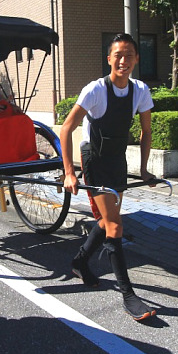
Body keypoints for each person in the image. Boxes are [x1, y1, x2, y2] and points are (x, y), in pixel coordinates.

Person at [59, 33, 157, 321]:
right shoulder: (96, 90)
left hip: (117, 158)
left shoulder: (140, 91)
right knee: (115, 226)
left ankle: (79, 262)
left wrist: (143, 169)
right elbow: (66, 128)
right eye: (118, 55)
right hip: (95, 159)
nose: (123, 61)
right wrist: (68, 172)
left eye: (129, 55)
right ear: (109, 59)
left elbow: (147, 132)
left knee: (105, 220)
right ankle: (128, 294)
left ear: (137, 59)